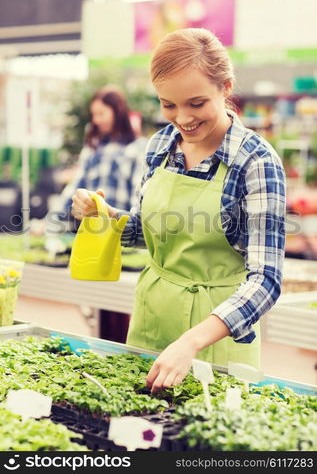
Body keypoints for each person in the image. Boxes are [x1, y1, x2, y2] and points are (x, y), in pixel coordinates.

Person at [71, 28, 286, 393]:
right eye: (168, 104)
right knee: (139, 434)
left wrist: (192, 341)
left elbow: (266, 279)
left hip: (216, 337)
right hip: (152, 321)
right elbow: (150, 231)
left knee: (209, 444)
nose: (182, 118)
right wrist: (104, 216)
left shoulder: (256, 161)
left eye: (196, 103)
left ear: (226, 87)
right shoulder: (160, 147)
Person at [55, 84, 146, 226]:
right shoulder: (93, 147)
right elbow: (77, 185)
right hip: (91, 230)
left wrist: (136, 228)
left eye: (101, 114)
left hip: (122, 232)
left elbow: (138, 194)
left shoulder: (137, 147)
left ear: (117, 112)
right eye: (94, 114)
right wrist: (54, 219)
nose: (96, 120)